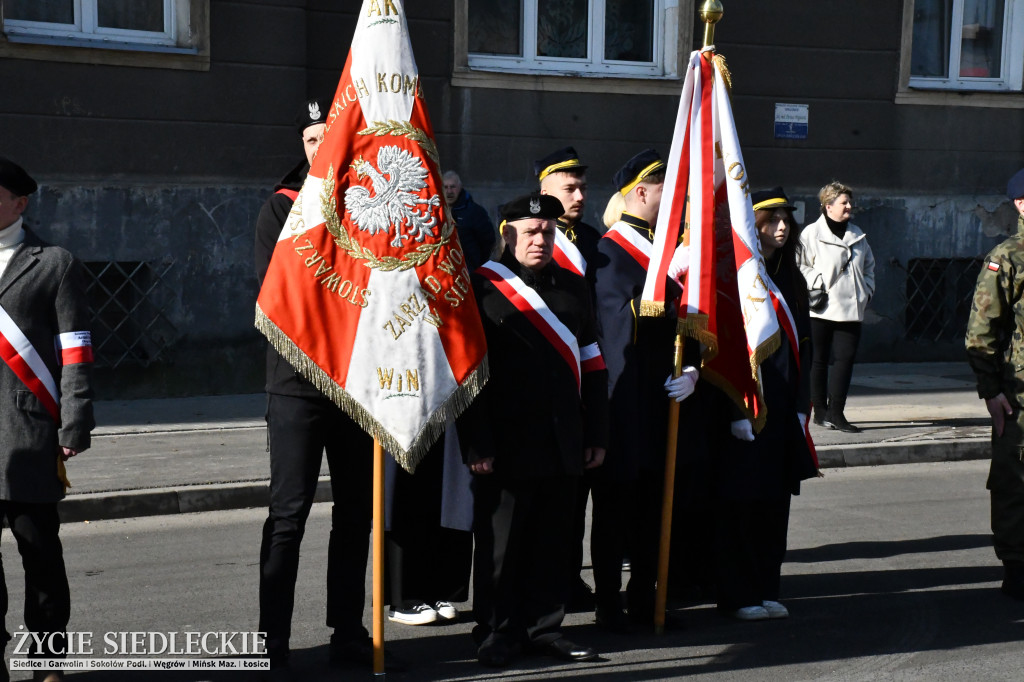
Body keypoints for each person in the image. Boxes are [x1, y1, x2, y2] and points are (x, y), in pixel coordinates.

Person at [254, 98, 384, 672]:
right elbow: (276, 300)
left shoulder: (368, 207)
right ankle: (272, 637)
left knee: (357, 511)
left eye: (326, 138)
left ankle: (348, 630)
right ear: (302, 146)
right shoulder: (279, 211)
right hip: (298, 385)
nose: (318, 148)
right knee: (289, 514)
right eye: (310, 140)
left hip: (356, 384)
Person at [458, 192, 608, 668]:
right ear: (507, 235)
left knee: (553, 540)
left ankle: (546, 628)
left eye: (547, 231)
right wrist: (477, 442)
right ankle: (497, 630)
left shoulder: (573, 287)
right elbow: (468, 373)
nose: (540, 239)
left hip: (563, 438)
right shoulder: (481, 289)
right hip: (504, 443)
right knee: (501, 544)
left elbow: (594, 363)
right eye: (530, 231)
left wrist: (596, 434)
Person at [592, 149, 698, 632]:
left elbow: (692, 321)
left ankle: (647, 599)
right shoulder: (611, 251)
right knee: (617, 508)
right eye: (665, 190)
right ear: (641, 191)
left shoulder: (666, 247)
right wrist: (665, 283)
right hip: (623, 402)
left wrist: (693, 367)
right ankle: (610, 604)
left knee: (656, 506)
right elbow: (617, 325)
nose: (675, 200)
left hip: (663, 398)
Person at [0, 156, 94, 682]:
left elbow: (76, 350)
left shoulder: (53, 262)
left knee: (40, 555)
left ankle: (48, 659)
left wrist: (74, 422)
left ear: (19, 202)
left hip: (29, 430)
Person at [714, 187, 820, 621]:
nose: (781, 227)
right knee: (744, 504)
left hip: (783, 408)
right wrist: (737, 409)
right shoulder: (736, 275)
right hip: (748, 408)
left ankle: (766, 587)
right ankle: (738, 594)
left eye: (786, 220)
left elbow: (806, 347)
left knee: (776, 504)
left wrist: (801, 404)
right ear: (750, 226)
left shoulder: (791, 277)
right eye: (770, 220)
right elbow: (729, 348)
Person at [535, 146, 605, 610]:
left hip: (588, 369)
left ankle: (569, 576)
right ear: (545, 191)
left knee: (577, 493)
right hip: (549, 382)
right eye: (569, 187)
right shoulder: (532, 236)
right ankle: (545, 581)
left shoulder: (591, 239)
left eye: (581, 187)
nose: (578, 195)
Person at [965, 167, 1024, 600]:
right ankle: (1017, 565)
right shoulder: (1007, 258)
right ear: (1020, 203)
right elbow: (981, 330)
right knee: (1012, 479)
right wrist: (991, 390)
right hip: (1019, 394)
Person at [796, 181, 875, 433]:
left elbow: (870, 267)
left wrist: (866, 293)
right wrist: (817, 281)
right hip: (821, 306)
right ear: (828, 206)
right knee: (818, 360)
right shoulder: (811, 233)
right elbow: (799, 264)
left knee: (845, 360)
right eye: (844, 203)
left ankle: (837, 412)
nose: (849, 206)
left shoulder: (858, 234)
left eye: (850, 202)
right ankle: (819, 411)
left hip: (851, 309)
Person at [442, 170, 496, 271]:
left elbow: (488, 242)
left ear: (460, 187)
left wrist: (476, 266)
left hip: (469, 273)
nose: (449, 191)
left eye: (453, 187)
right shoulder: (435, 212)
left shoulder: (475, 212)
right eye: (446, 187)